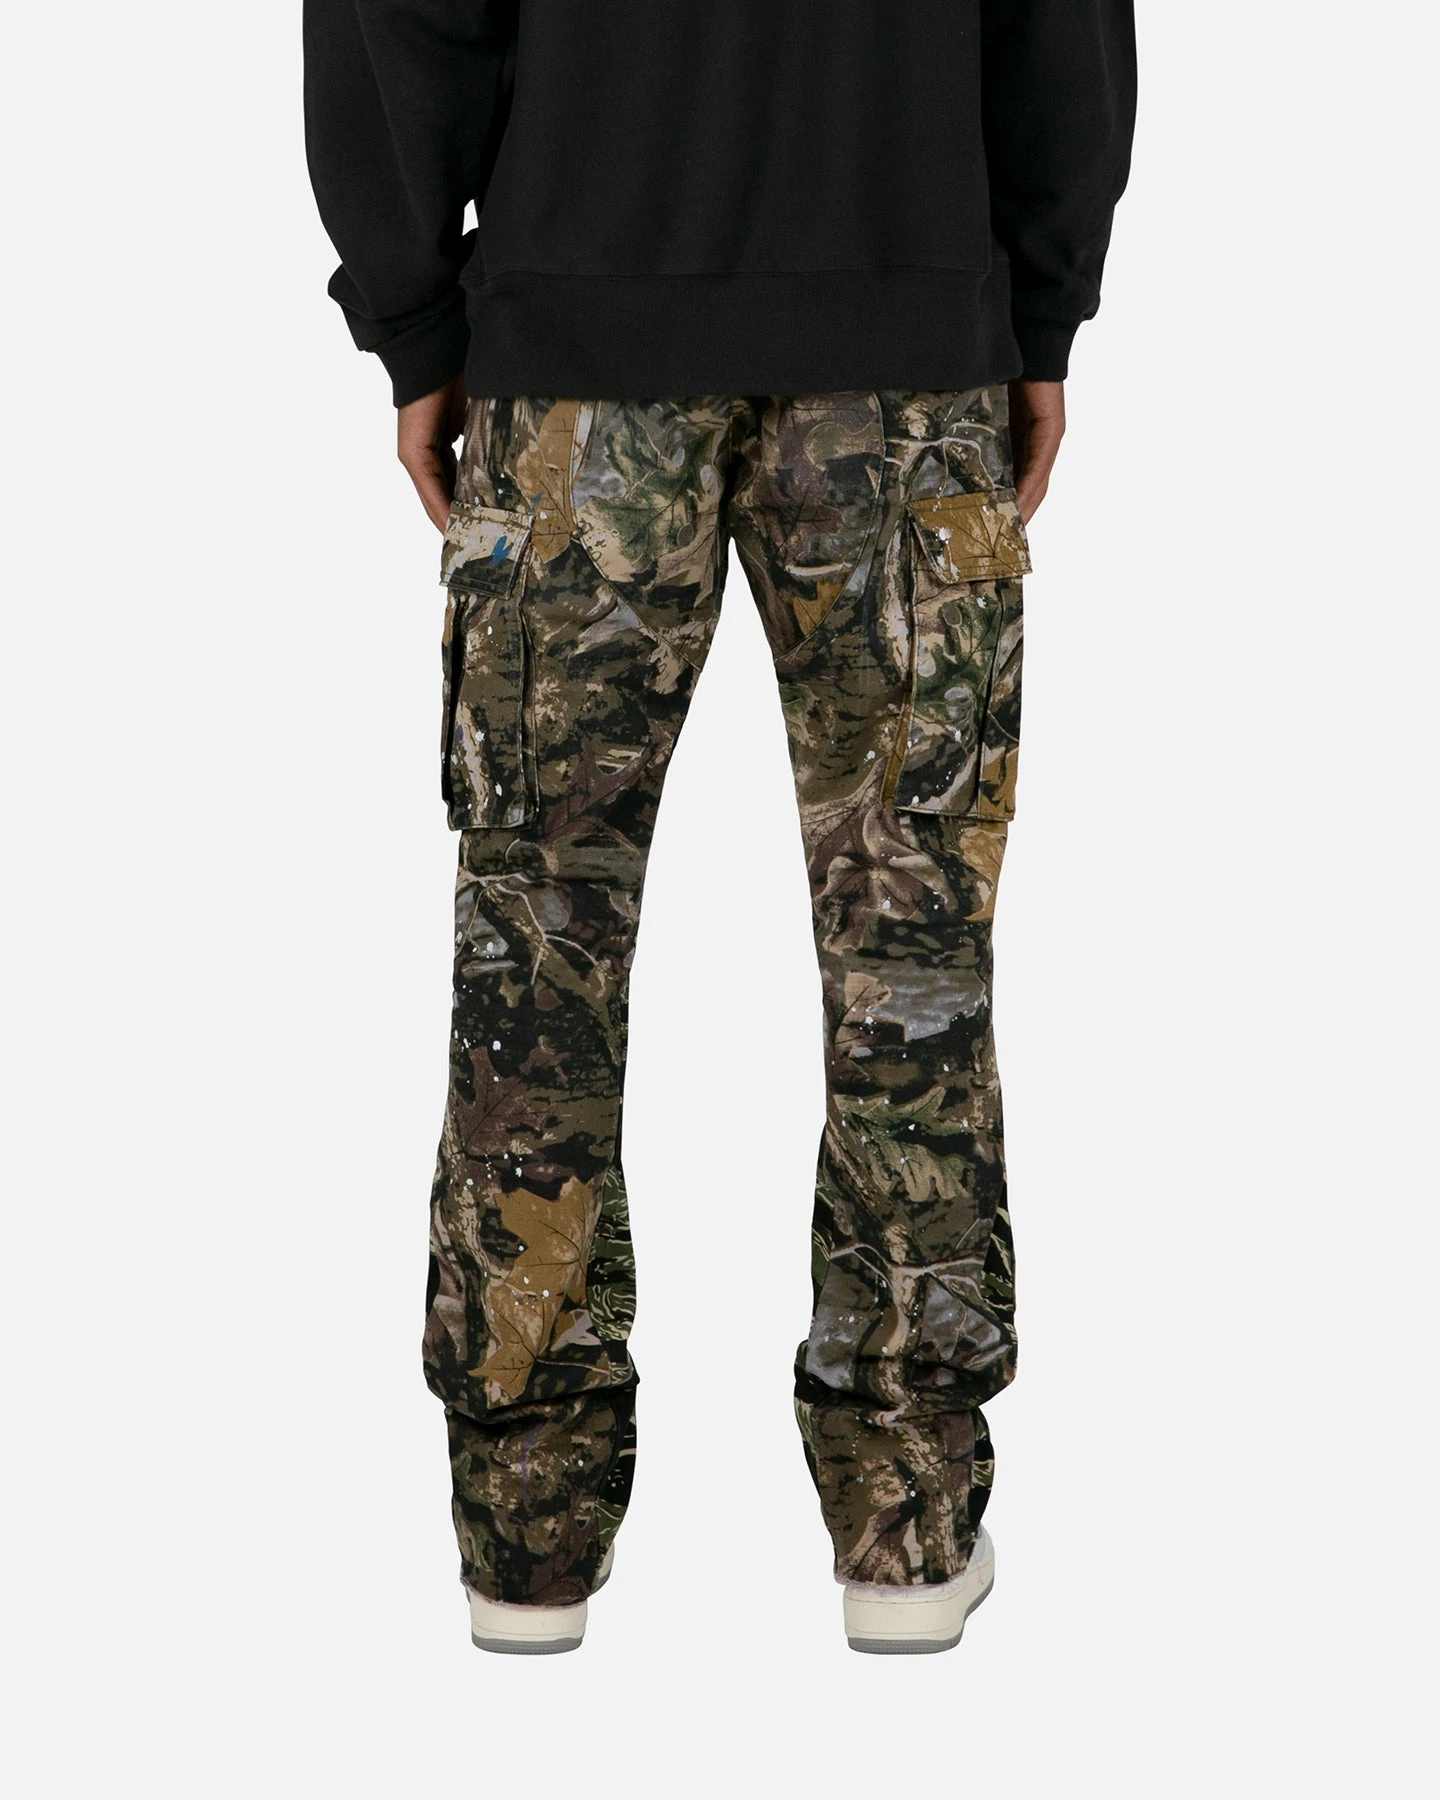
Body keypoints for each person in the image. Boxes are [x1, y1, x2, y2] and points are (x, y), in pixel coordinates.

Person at [304, 0, 1136, 1656]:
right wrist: (1038, 311)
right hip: (907, 352)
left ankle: (526, 1541)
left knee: (537, 958)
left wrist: (416, 318)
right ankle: (906, 1526)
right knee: (911, 965)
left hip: (576, 360)